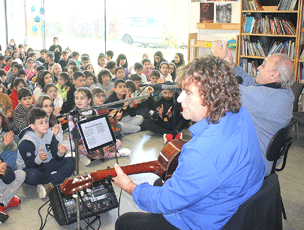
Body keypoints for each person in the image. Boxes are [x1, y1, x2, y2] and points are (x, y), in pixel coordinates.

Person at [113, 55, 266, 230]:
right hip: (235, 199)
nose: (179, 100)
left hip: (206, 220)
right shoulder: (239, 112)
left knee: (124, 223)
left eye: (188, 93)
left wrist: (129, 186)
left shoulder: (202, 151)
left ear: (212, 97)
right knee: (159, 184)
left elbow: (166, 201)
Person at [212, 40, 295, 176]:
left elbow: (223, 88)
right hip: (267, 159)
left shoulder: (263, 99)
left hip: (254, 164)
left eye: (263, 65)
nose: (258, 68)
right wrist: (231, 65)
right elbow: (253, 84)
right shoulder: (285, 93)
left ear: (274, 75)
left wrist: (217, 60)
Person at [16, 107, 74, 198]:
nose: (45, 125)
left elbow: (56, 156)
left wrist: (60, 153)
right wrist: (38, 159)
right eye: (41, 123)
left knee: (72, 161)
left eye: (46, 121)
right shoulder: (26, 142)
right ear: (32, 126)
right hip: (31, 168)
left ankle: (49, 183)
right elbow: (29, 165)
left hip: (47, 163)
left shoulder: (50, 134)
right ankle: (56, 178)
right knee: (32, 175)